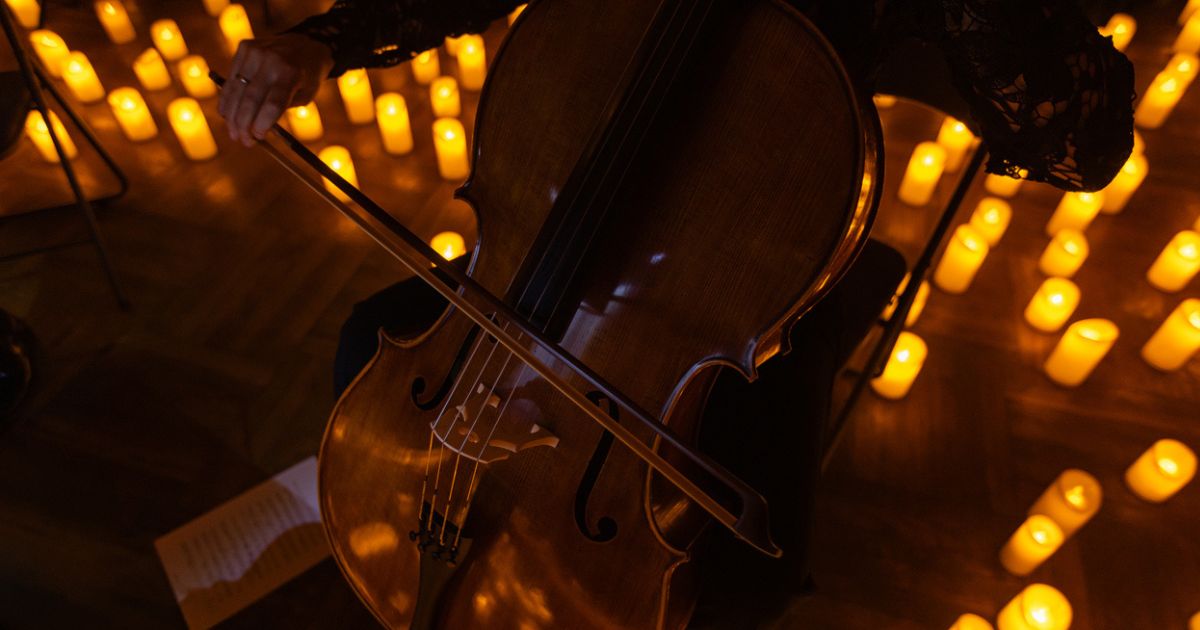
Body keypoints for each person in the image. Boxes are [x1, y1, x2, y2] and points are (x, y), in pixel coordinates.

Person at [216, 1, 1134, 627]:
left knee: (741, 578)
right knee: (363, 342)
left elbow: (1083, 147)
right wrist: (325, 39)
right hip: (552, 228)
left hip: (751, 251)